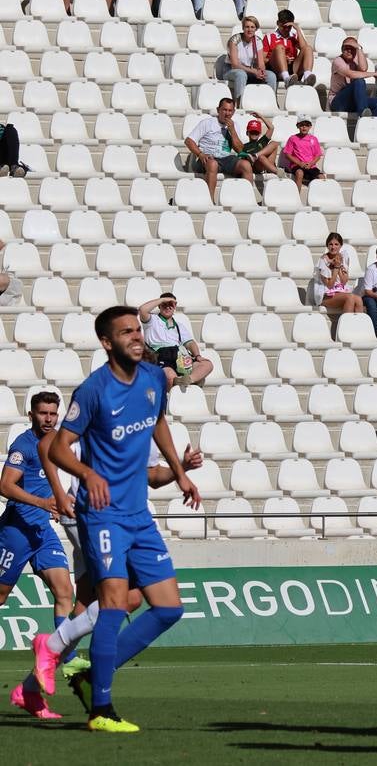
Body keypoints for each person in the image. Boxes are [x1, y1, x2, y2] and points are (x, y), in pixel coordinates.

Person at [48, 305, 200, 732]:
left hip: (139, 514)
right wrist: (87, 472)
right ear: (106, 342)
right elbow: (58, 449)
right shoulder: (93, 391)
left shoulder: (154, 378)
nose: (137, 337)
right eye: (126, 332)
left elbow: (159, 424)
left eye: (138, 330)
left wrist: (181, 473)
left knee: (168, 608)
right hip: (103, 516)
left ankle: (92, 673)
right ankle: (101, 709)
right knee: (114, 601)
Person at [1, 391, 75, 720]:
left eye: (52, 413)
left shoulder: (60, 444)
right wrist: (43, 503)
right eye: (42, 413)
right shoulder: (23, 445)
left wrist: (58, 504)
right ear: (31, 415)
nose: (48, 418)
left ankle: (57, 656)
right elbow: (5, 485)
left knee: (65, 592)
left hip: (43, 533)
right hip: (16, 532)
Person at [138, 294, 213, 390]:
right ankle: (182, 384)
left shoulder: (179, 326)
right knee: (169, 376)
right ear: (159, 306)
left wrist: (198, 356)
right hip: (161, 355)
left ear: (175, 307)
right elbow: (142, 309)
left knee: (207, 364)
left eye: (171, 304)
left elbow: (190, 343)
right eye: (165, 304)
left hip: (179, 356)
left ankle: (189, 379)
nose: (168, 307)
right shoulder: (152, 320)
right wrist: (163, 299)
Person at [184, 97, 247, 202]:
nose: (227, 113)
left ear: (234, 112)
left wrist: (233, 131)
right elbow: (189, 141)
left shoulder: (234, 125)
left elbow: (240, 150)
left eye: (230, 110)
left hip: (226, 158)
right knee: (213, 164)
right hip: (208, 157)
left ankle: (246, 199)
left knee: (246, 165)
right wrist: (200, 154)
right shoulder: (207, 123)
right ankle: (210, 201)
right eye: (224, 110)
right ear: (218, 110)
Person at [218, 15, 276, 104]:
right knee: (241, 74)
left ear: (256, 29)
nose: (249, 30)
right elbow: (235, 64)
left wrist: (261, 72)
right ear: (243, 28)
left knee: (271, 75)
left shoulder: (257, 41)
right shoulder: (234, 40)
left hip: (250, 70)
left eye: (252, 27)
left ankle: (270, 102)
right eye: (247, 27)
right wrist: (253, 71)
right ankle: (239, 104)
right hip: (231, 70)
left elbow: (261, 63)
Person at [328, 37, 377, 117]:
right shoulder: (338, 61)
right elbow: (351, 74)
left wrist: (359, 48)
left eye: (352, 48)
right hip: (338, 101)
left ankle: (370, 126)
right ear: (342, 49)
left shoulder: (354, 61)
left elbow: (363, 69)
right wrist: (374, 74)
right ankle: (363, 113)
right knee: (359, 81)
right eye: (346, 48)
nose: (349, 51)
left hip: (353, 101)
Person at [262, 8, 316, 88]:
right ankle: (286, 78)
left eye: (289, 27)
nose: (286, 29)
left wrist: (297, 29)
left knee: (308, 48)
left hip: (292, 69)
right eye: (284, 27)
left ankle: (307, 77)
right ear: (278, 23)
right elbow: (263, 59)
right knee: (280, 48)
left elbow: (304, 48)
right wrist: (281, 59)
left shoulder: (293, 36)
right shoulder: (269, 37)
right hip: (276, 68)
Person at [314, 232, 362, 316]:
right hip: (325, 295)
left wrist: (339, 265)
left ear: (340, 246)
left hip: (340, 291)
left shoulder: (343, 257)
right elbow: (330, 285)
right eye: (331, 244)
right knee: (350, 297)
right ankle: (345, 327)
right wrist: (336, 268)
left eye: (336, 244)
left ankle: (358, 327)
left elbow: (344, 282)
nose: (333, 247)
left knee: (358, 299)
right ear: (327, 245)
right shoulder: (323, 261)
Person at [281, 118, 326, 189]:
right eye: (301, 125)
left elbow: (318, 155)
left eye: (307, 125)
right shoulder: (293, 138)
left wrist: (311, 164)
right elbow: (287, 154)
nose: (304, 127)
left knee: (322, 177)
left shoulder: (314, 139)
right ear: (297, 126)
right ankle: (297, 197)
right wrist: (300, 163)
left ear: (310, 126)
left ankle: (320, 198)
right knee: (299, 173)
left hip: (310, 166)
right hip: (297, 165)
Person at [236, 113, 280, 178]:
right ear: (247, 133)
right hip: (257, 167)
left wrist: (261, 116)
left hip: (267, 165)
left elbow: (271, 128)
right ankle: (278, 172)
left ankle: (256, 155)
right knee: (261, 157)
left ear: (259, 134)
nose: (254, 134)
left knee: (274, 143)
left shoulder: (262, 141)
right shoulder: (244, 146)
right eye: (252, 132)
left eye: (256, 132)